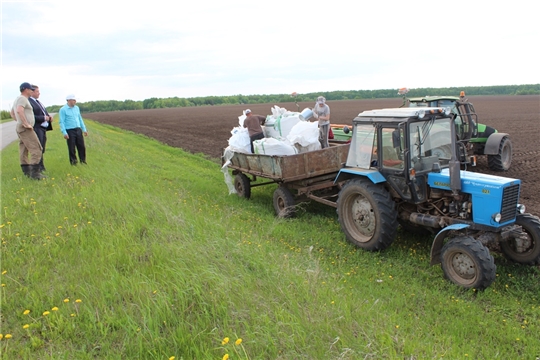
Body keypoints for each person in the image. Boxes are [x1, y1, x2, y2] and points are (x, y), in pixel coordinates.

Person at [10, 82, 45, 179]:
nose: (31, 91)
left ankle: (26, 172)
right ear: (26, 90)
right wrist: (25, 123)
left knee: (24, 149)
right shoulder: (22, 99)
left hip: (20, 127)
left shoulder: (17, 99)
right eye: (30, 90)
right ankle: (35, 174)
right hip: (25, 128)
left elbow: (12, 113)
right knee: (37, 149)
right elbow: (19, 110)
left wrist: (19, 121)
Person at [29, 85, 53, 172]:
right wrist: (43, 118)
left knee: (42, 147)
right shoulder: (29, 102)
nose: (39, 93)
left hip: (42, 128)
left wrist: (48, 117)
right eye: (37, 91)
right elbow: (31, 116)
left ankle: (41, 166)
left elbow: (43, 112)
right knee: (38, 148)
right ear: (31, 92)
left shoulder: (38, 102)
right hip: (37, 127)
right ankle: (38, 167)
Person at [59, 94, 88, 165]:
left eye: (75, 100)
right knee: (72, 147)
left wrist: (84, 129)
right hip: (69, 130)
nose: (75, 101)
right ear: (69, 100)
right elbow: (61, 122)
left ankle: (83, 161)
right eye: (73, 100)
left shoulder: (77, 108)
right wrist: (64, 132)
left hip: (78, 129)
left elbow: (80, 118)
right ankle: (74, 162)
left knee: (81, 146)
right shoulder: (63, 109)